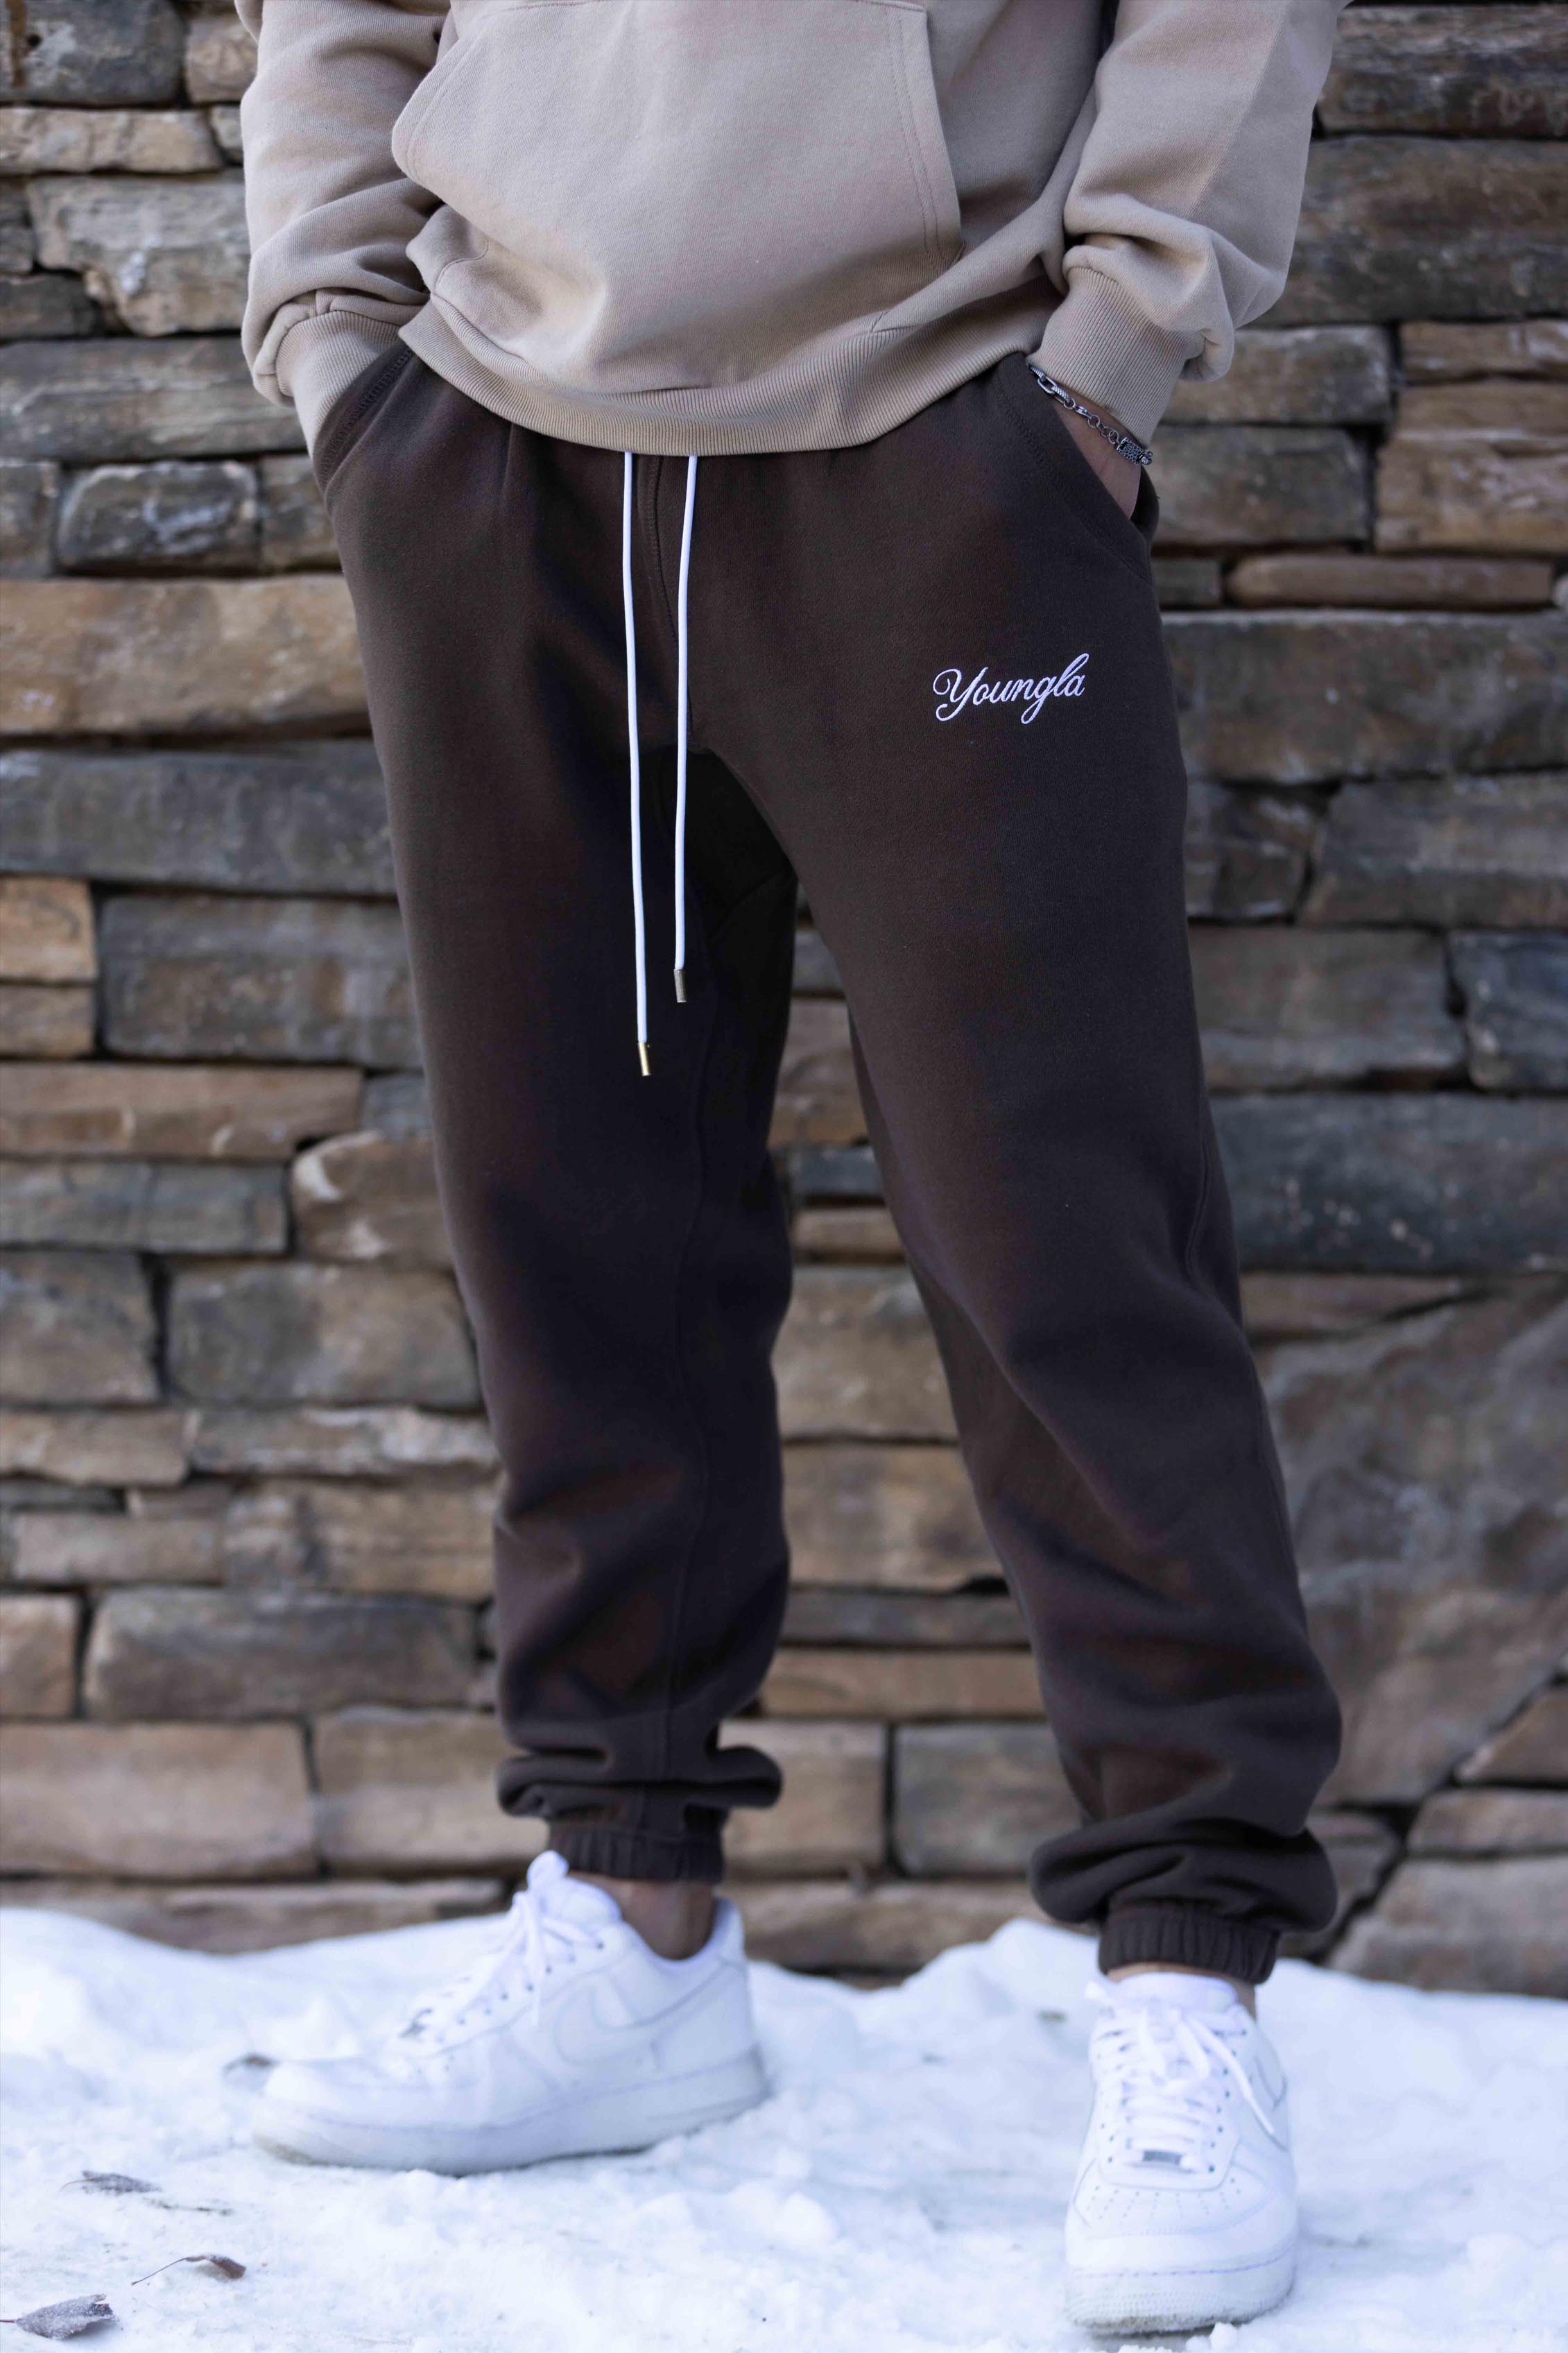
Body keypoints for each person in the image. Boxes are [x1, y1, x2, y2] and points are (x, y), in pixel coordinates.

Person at [236, 0, 1345, 2327]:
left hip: (939, 438)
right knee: (568, 1217)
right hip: (494, 447)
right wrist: (337, 337)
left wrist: (1109, 360)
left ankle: (1186, 1963)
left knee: (1060, 1244)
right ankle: (631, 1907)